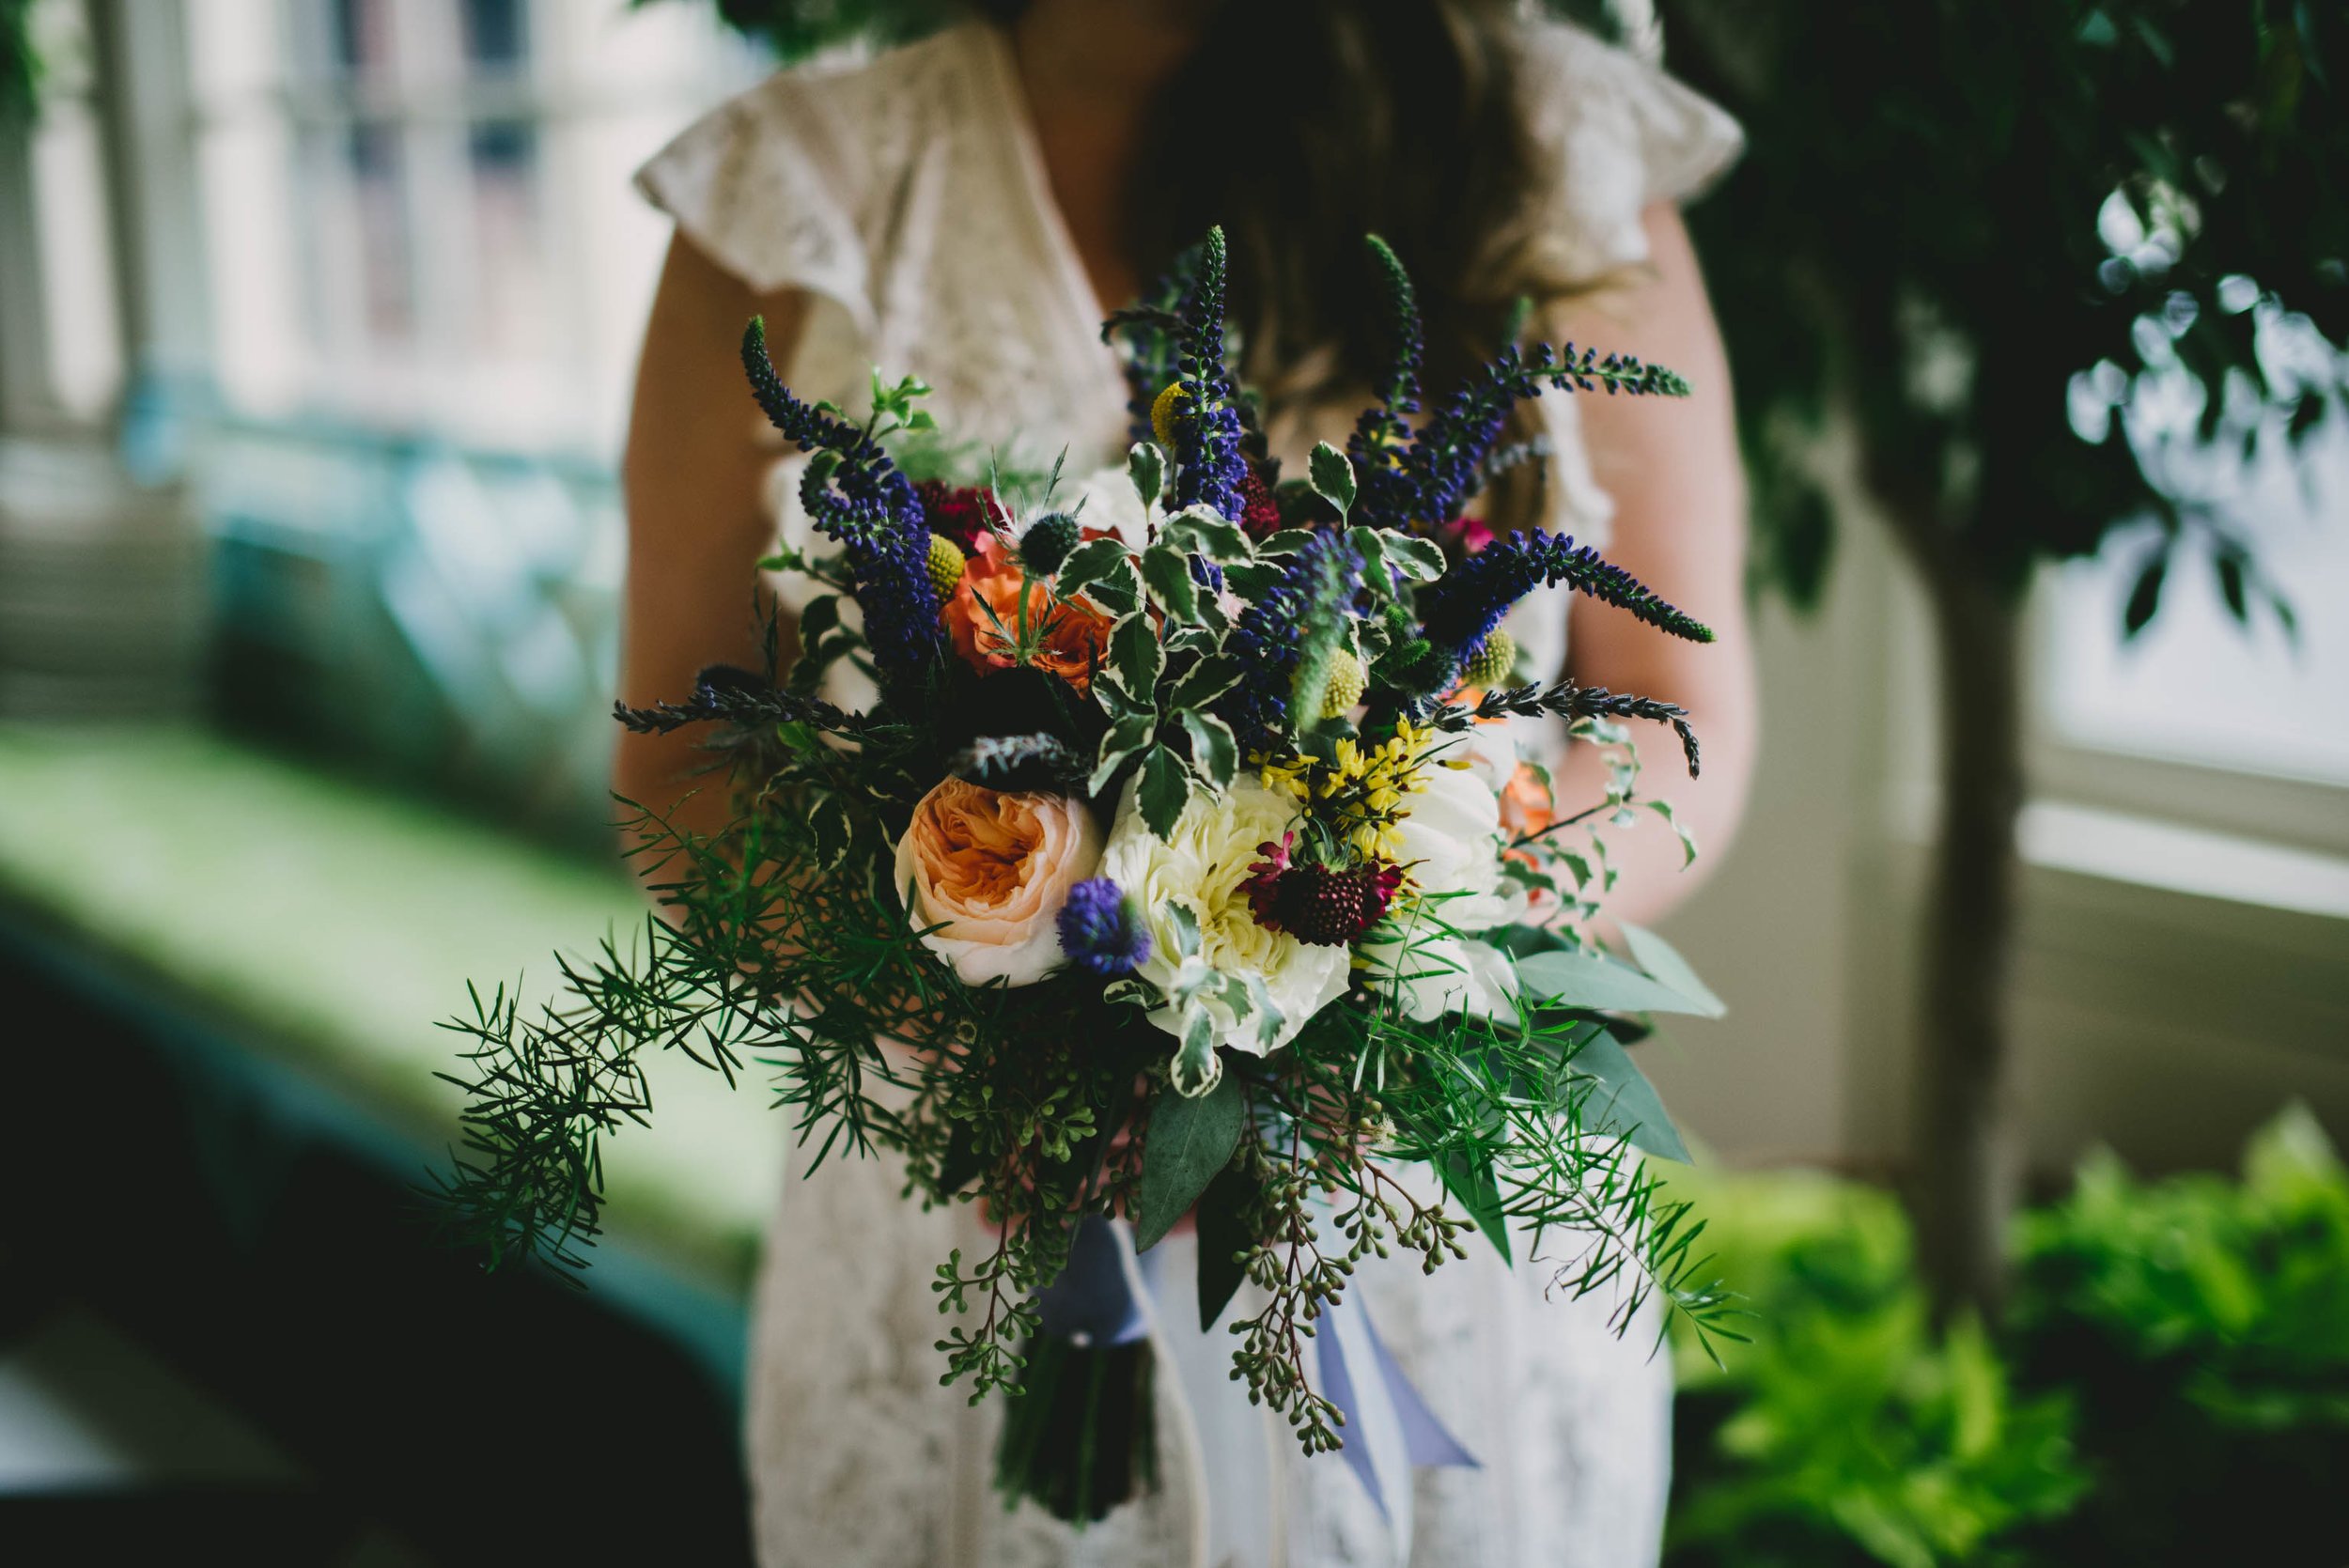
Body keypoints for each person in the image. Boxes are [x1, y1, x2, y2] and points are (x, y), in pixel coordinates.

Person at [619, 3, 1756, 1562]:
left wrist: (1389, 963)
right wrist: (987, 1021)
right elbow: (676, 761)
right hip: (960, 1232)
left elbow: (1677, 711)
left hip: (1436, 1232)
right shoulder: (792, 205)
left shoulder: (1558, 153)